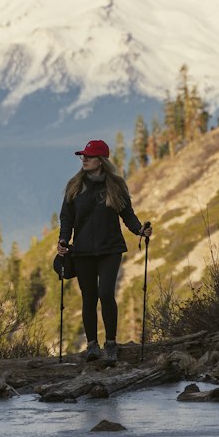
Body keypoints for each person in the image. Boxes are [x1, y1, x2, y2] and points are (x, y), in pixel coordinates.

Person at [57, 139, 152, 365]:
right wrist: (63, 239)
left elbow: (127, 213)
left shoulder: (116, 186)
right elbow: (66, 217)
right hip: (82, 251)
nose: (84, 159)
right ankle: (92, 345)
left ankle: (111, 344)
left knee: (106, 294)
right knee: (89, 297)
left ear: (101, 161)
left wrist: (140, 229)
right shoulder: (74, 186)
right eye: (83, 156)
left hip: (110, 249)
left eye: (89, 156)